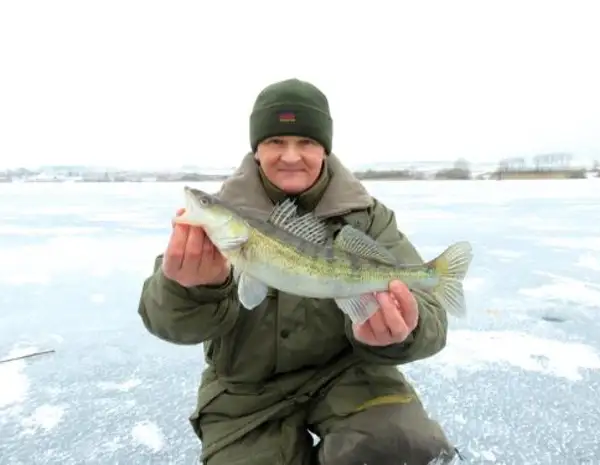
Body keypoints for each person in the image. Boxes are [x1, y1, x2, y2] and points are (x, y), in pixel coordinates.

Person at [138, 78, 459, 464]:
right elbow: (165, 319)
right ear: (256, 150)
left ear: (325, 148)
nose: (291, 156)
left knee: (401, 446)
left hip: (348, 375)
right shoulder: (218, 223)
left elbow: (430, 315)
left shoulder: (367, 217)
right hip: (245, 390)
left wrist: (405, 328)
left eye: (306, 141)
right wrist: (189, 290)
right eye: (275, 141)